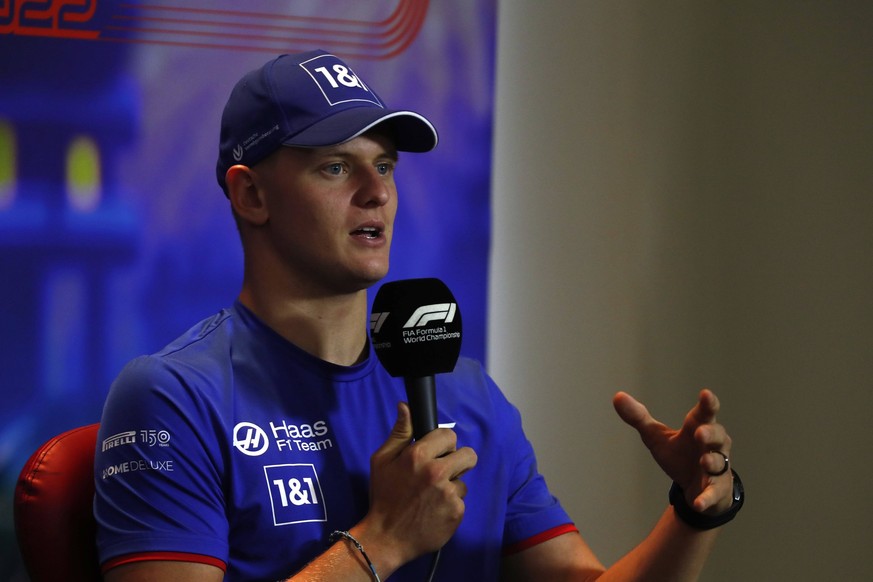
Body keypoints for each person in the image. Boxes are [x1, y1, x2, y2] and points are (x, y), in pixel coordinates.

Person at [94, 49, 743, 581]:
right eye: (334, 167)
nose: (375, 191)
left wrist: (692, 512)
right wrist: (382, 540)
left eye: (383, 165)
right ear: (251, 193)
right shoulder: (173, 397)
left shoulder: (467, 394)